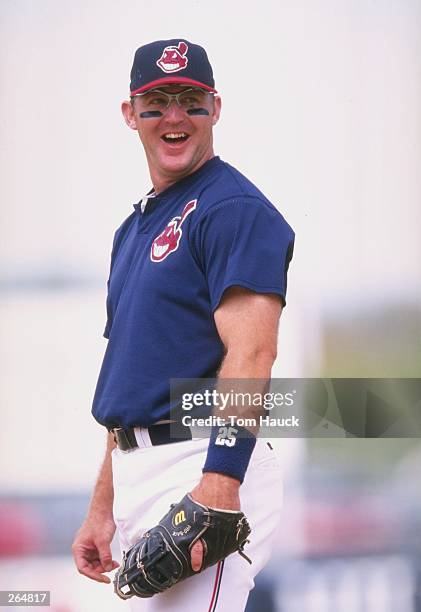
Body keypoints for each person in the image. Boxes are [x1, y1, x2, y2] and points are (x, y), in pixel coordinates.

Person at [72, 38, 295, 611]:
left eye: (191, 101)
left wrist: (221, 484)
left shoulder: (233, 210)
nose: (175, 117)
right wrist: (104, 504)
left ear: (215, 109)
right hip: (140, 469)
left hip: (200, 462)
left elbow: (252, 356)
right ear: (131, 114)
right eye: (157, 101)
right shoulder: (135, 229)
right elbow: (132, 384)